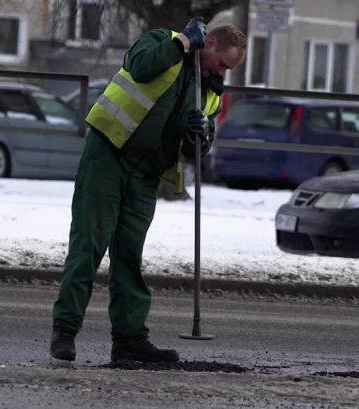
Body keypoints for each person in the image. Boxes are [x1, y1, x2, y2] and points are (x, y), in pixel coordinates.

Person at [49, 17, 247, 363]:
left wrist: (197, 135)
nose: (222, 72)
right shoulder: (163, 40)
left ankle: (129, 340)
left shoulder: (209, 92)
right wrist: (182, 43)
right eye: (222, 63)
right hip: (109, 153)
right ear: (210, 44)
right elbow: (139, 68)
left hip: (146, 173)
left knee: (129, 256)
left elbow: (196, 151)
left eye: (229, 69)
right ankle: (65, 332)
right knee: (89, 245)